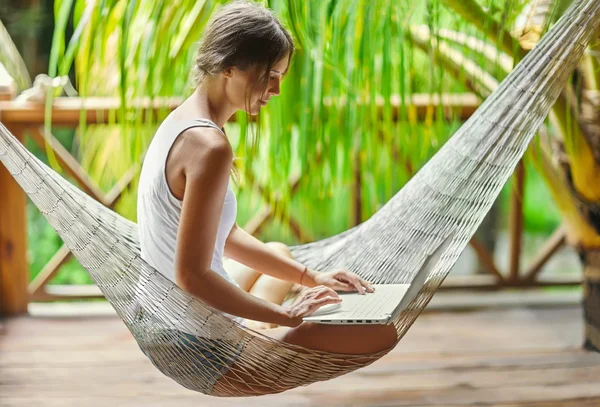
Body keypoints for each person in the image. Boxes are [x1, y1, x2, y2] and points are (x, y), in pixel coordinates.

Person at [136, 0, 397, 395]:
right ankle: (261, 330)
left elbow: (228, 235)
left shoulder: (182, 121)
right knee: (382, 333)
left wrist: (314, 277)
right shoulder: (209, 146)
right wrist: (285, 315)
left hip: (162, 315)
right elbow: (190, 276)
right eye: (270, 75)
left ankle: (260, 327)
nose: (276, 90)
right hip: (195, 343)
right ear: (230, 67)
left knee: (281, 253)